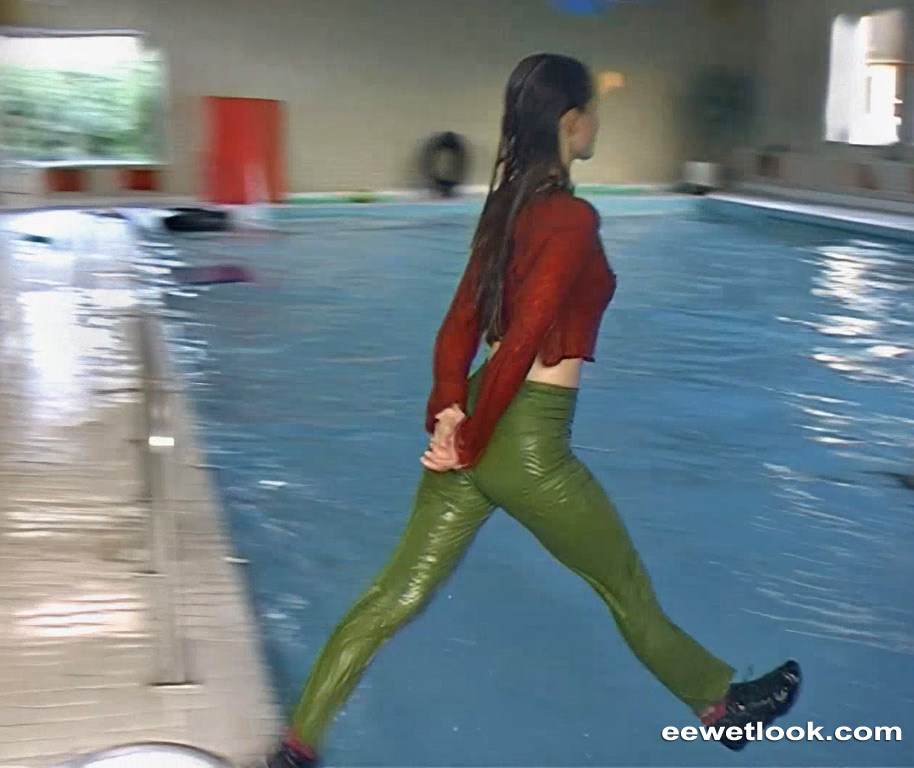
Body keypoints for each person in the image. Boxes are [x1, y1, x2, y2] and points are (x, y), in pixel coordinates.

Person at [265, 53, 801, 768]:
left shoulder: (505, 209)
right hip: (526, 443)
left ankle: (296, 746)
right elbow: (523, 340)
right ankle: (721, 707)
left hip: (479, 413)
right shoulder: (572, 220)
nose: (597, 125)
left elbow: (460, 323)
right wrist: (473, 440)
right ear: (572, 122)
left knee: (391, 596)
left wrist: (450, 411)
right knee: (625, 588)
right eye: (593, 114)